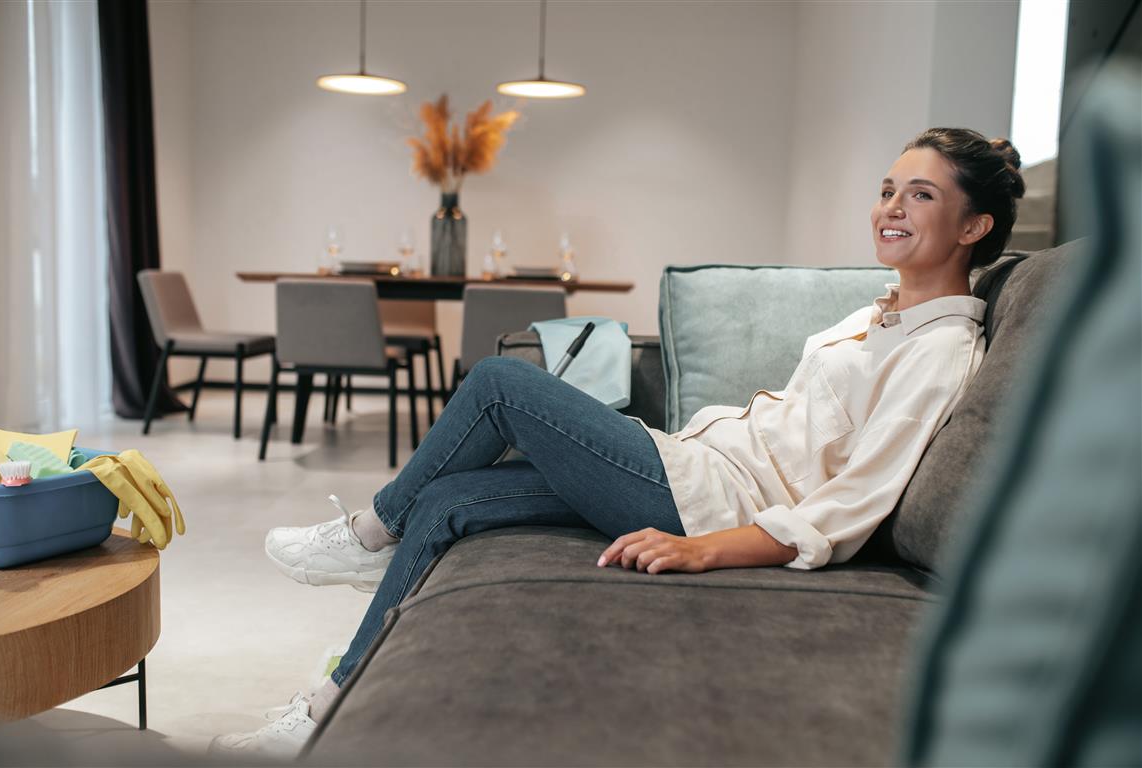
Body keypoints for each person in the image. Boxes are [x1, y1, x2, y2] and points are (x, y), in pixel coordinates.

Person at [210, 127, 1025, 758]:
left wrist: (707, 550)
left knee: (500, 386)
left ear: (974, 224)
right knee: (457, 501)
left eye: (919, 196)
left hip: (710, 503)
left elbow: (852, 505)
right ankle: (324, 710)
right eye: (888, 189)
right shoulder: (876, 313)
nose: (890, 208)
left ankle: (369, 534)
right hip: (694, 465)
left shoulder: (941, 350)